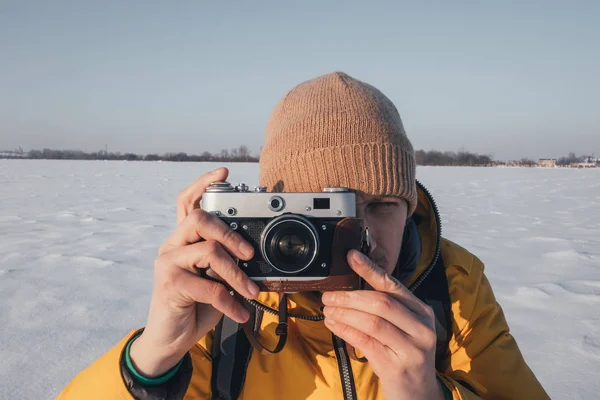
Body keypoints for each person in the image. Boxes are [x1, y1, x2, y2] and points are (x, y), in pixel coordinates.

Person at [58, 72, 549, 400]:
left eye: (380, 207)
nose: (361, 238)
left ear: (411, 207)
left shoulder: (454, 289)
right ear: (268, 212)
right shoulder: (226, 305)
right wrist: (150, 364)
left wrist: (429, 394)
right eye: (321, 214)